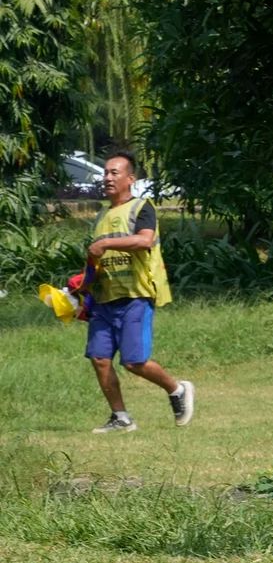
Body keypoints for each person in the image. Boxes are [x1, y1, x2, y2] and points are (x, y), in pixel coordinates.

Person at [84, 149, 194, 433]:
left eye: (114, 173)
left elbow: (145, 241)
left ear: (130, 179)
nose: (107, 178)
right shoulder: (100, 216)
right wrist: (82, 289)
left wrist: (106, 245)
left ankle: (177, 389)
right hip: (104, 299)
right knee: (99, 359)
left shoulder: (141, 207)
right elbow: (97, 258)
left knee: (134, 362)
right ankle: (121, 417)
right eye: (105, 173)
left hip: (135, 296)